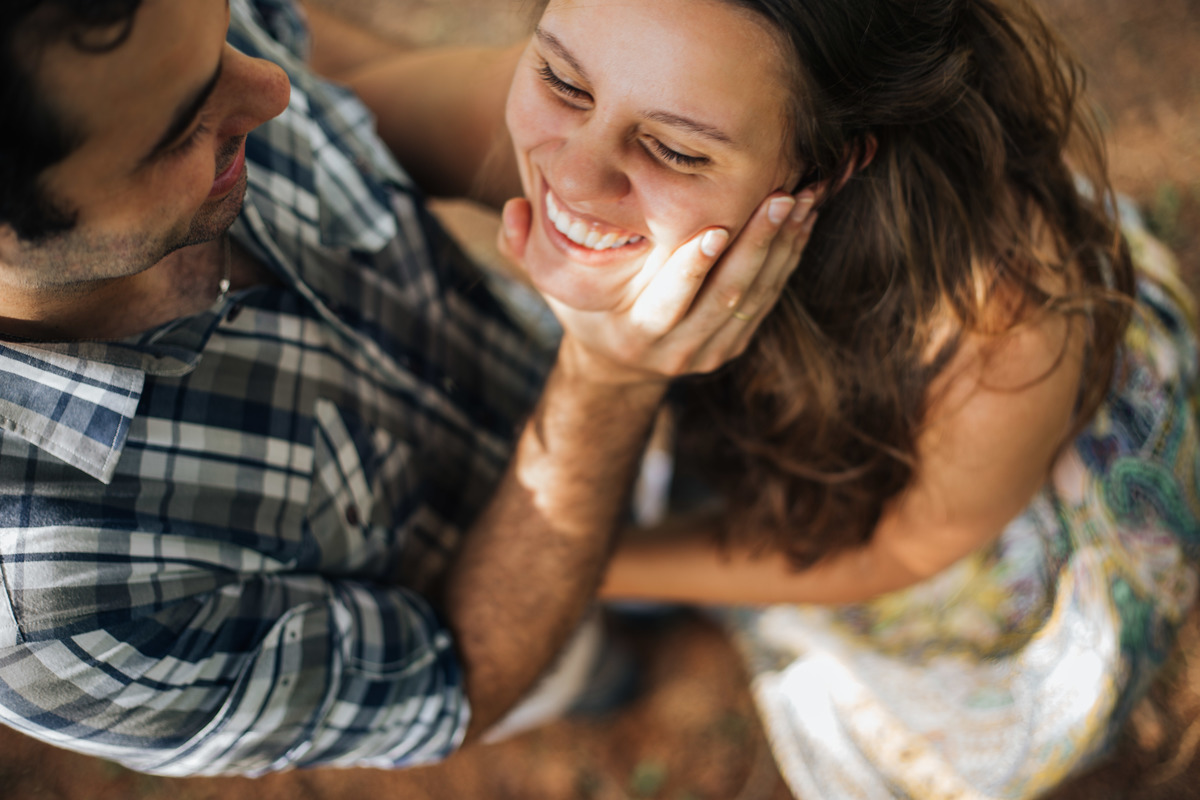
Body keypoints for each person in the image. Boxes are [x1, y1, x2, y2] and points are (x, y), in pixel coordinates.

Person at [337, 0, 1200, 795]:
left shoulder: (1001, 327)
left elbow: (896, 548)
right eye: (563, 80)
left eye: (675, 150)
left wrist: (592, 561)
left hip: (943, 518)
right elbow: (316, 112)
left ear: (831, 163)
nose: (573, 173)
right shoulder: (586, 109)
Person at [0, 0, 816, 777]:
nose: (275, 91)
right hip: (522, 619)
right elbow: (462, 677)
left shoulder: (125, 38)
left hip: (563, 377)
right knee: (606, 668)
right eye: (183, 129)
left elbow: (338, 78)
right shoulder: (61, 624)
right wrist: (608, 383)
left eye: (223, 31)